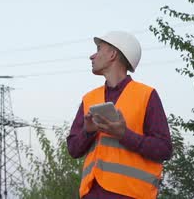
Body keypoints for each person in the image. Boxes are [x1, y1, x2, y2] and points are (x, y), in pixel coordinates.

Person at [67, 31, 172, 199]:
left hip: (132, 194)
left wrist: (124, 135)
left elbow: (164, 149)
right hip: (92, 194)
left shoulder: (146, 95)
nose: (92, 56)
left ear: (113, 54)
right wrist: (88, 132)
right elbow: (73, 149)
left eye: (99, 49)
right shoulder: (89, 99)